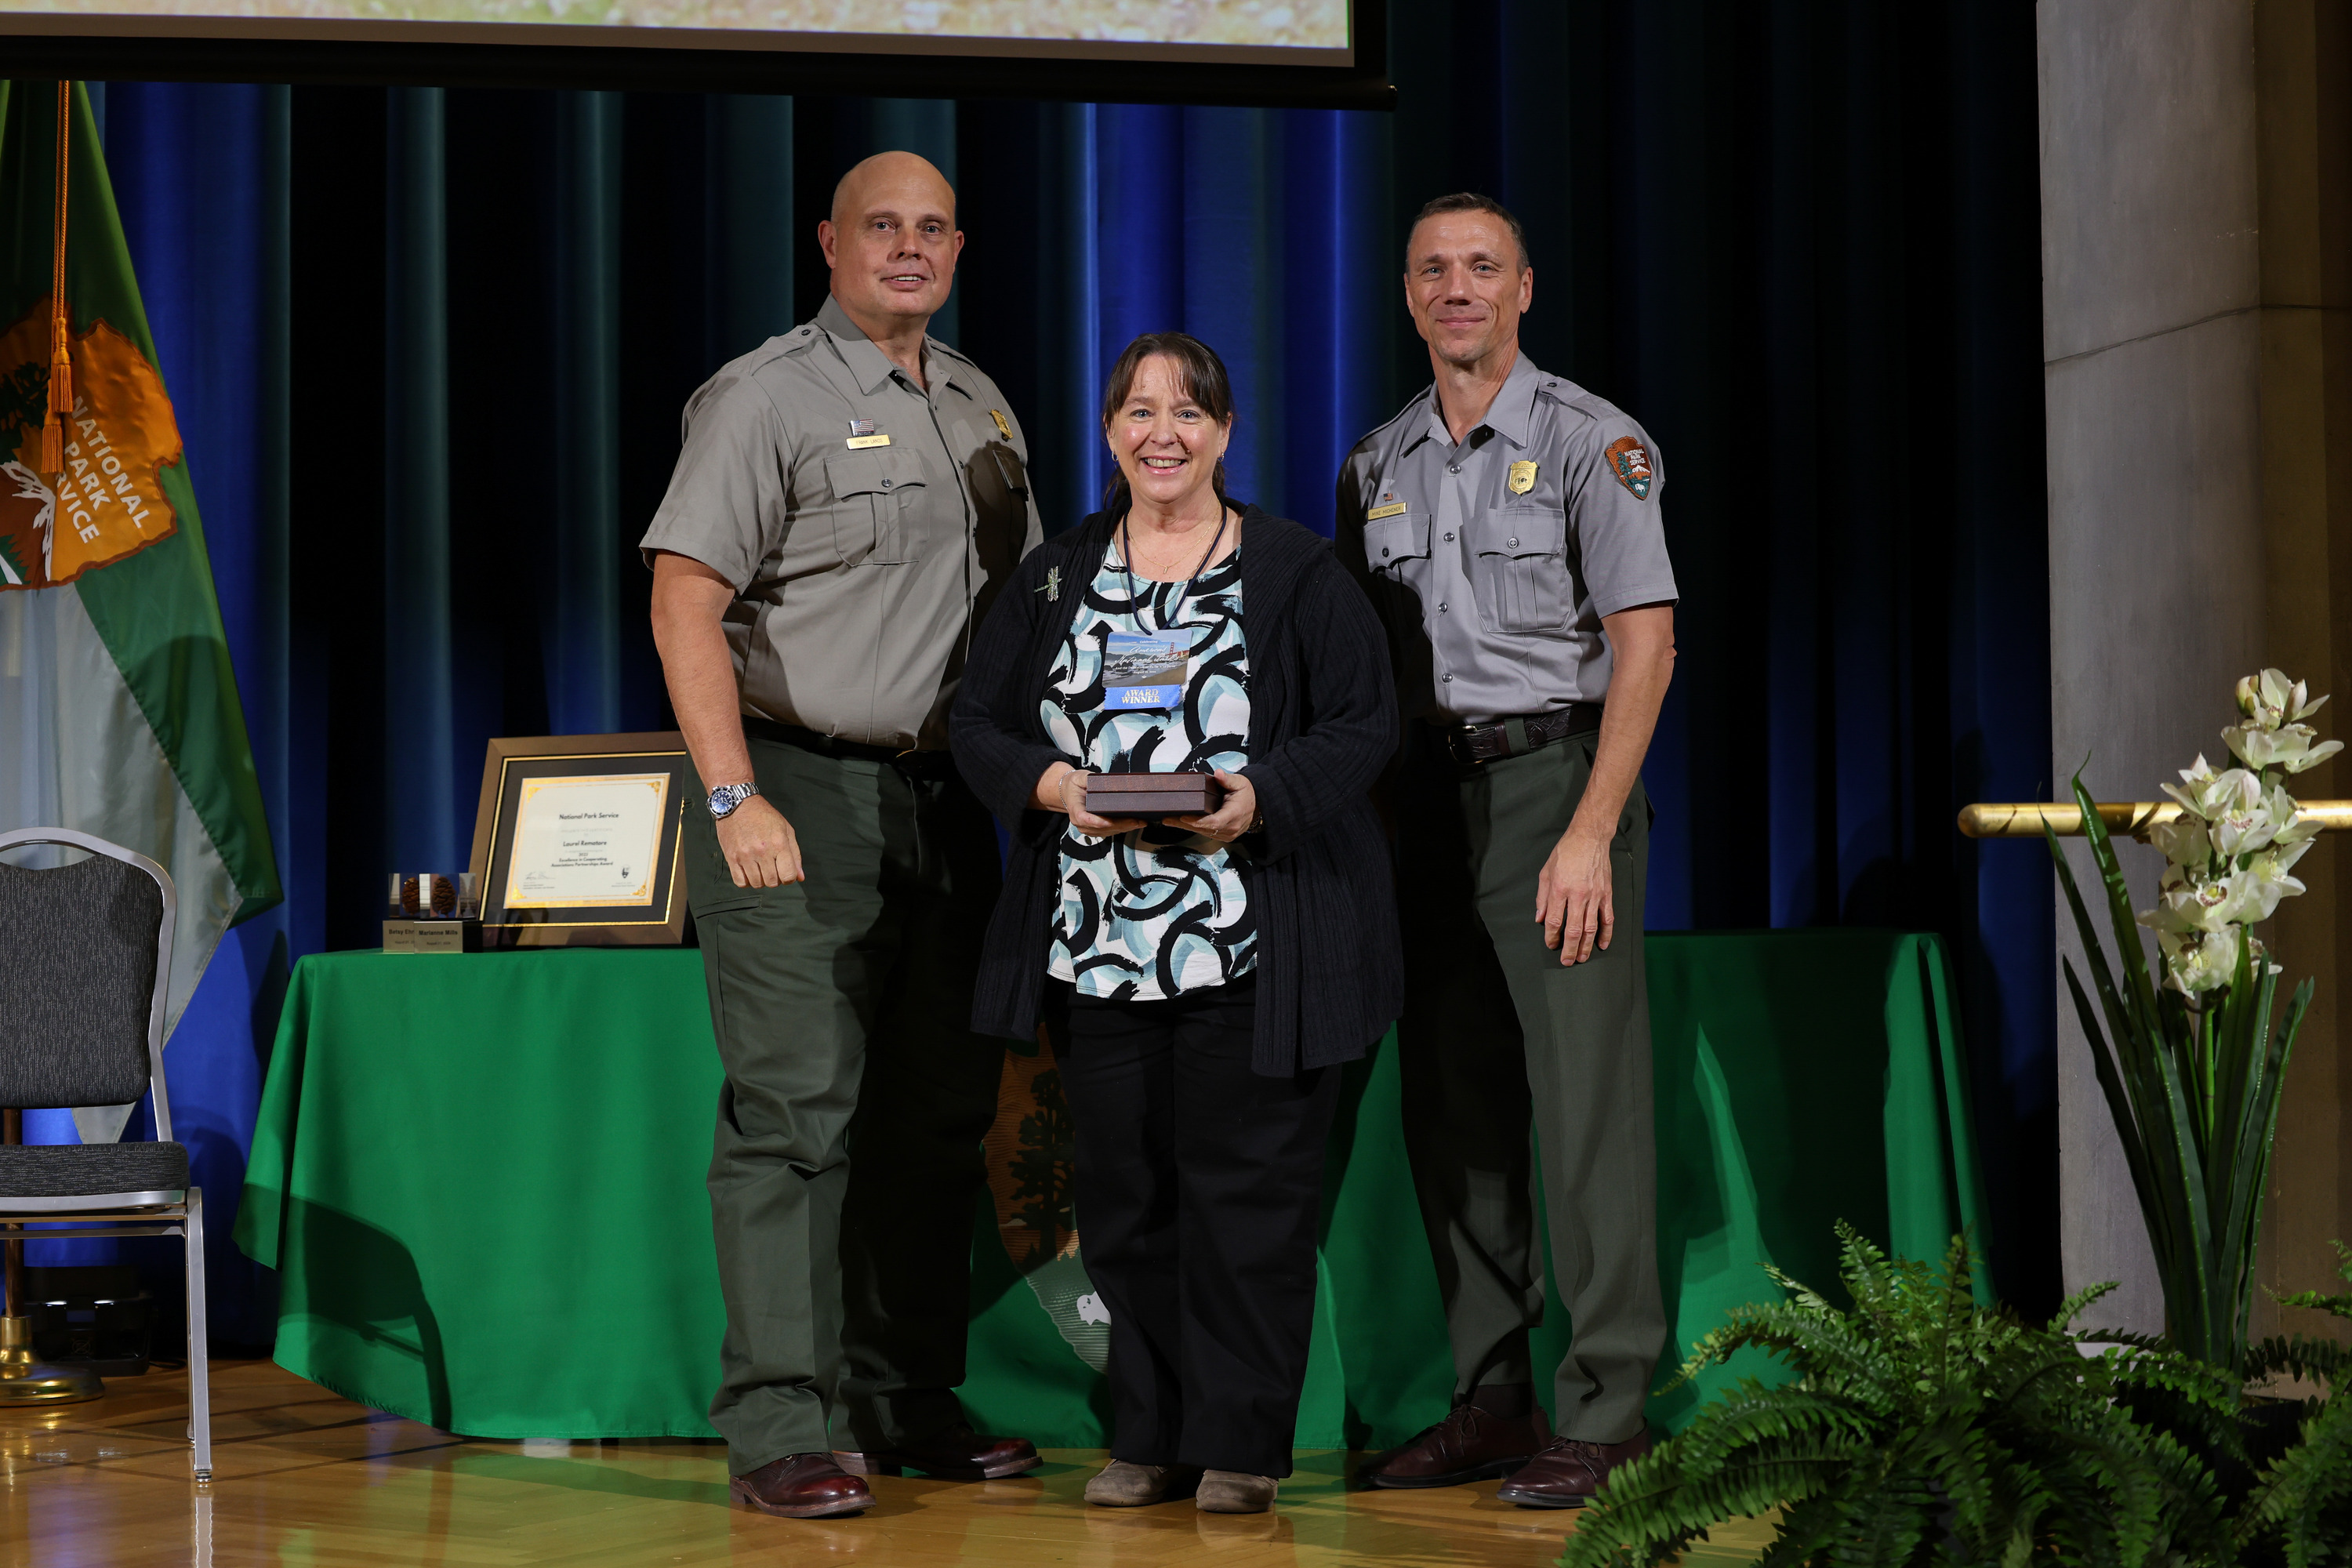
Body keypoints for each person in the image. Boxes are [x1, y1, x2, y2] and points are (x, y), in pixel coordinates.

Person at [641, 151, 1044, 1521]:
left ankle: (905, 1391)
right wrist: (734, 797)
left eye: (934, 228)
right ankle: (779, 1425)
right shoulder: (766, 397)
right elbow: (685, 599)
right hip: (797, 794)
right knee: (795, 1113)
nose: (910, 249)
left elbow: (1038, 618)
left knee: (934, 1116)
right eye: (884, 227)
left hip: (949, 806)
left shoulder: (981, 401)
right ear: (830, 241)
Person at [950, 332, 1400, 1516]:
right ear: (1109, 432)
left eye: (1189, 412)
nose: (1164, 433)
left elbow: (1363, 724)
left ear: (1225, 433)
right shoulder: (1053, 577)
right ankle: (1146, 1435)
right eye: (1140, 411)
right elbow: (978, 725)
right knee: (1126, 1201)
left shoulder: (1297, 572)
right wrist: (1052, 789)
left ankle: (1242, 1446)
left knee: (1246, 1201)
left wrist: (1263, 797)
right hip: (1100, 948)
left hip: (1252, 938)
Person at [1337, 193, 1679, 1508]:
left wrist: (1593, 828)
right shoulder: (1379, 461)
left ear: (1524, 288)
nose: (1458, 288)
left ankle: (1608, 1406)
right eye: (1434, 269)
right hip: (1424, 805)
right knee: (1455, 1109)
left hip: (1555, 789)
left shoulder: (1599, 444)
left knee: (1587, 1112)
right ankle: (1490, 1396)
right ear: (1409, 294)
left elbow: (1645, 645)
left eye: (1484, 267)